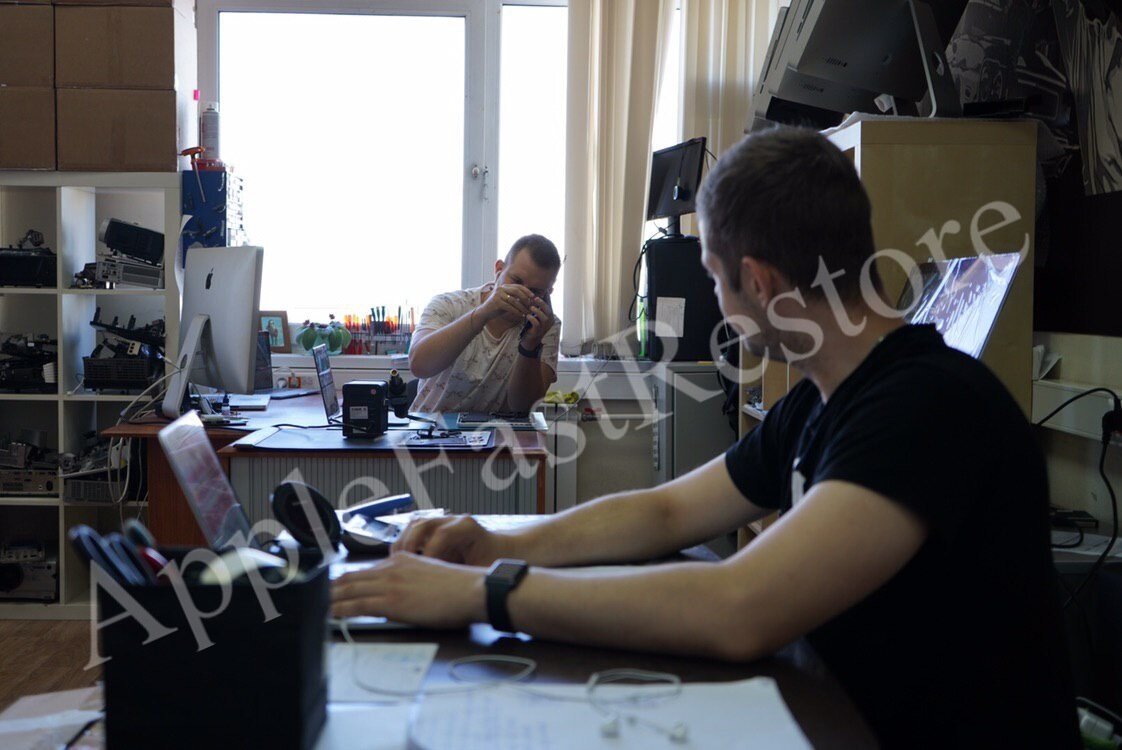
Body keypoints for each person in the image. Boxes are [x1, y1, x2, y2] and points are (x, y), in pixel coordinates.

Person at [334, 129, 1078, 747]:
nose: (719, 305)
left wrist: (483, 592)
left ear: (759, 281)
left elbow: (738, 606)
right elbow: (664, 512)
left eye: (717, 280)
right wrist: (494, 545)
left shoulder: (926, 406)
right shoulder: (818, 404)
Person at [408, 234, 561, 414]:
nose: (521, 294)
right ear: (499, 270)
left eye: (534, 291)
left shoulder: (545, 326)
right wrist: (483, 313)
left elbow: (523, 407)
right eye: (516, 281)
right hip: (430, 427)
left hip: (494, 430)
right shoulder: (449, 304)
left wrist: (530, 346)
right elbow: (419, 365)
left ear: (547, 293)